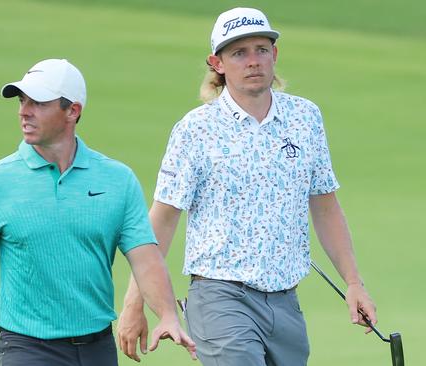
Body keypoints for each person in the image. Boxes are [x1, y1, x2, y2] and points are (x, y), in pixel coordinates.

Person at [117, 7, 377, 366]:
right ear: (217, 63)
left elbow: (326, 206)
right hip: (220, 298)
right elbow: (161, 220)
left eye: (261, 49)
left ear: (275, 55)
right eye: (239, 53)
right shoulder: (195, 130)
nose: (253, 61)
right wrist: (135, 304)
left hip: (286, 302)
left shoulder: (305, 118)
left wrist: (354, 283)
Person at [0, 58, 195, 366]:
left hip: (97, 346)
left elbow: (146, 258)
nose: (24, 111)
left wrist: (167, 315)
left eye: (38, 102)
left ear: (72, 111)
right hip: (26, 347)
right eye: (22, 100)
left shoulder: (118, 180)